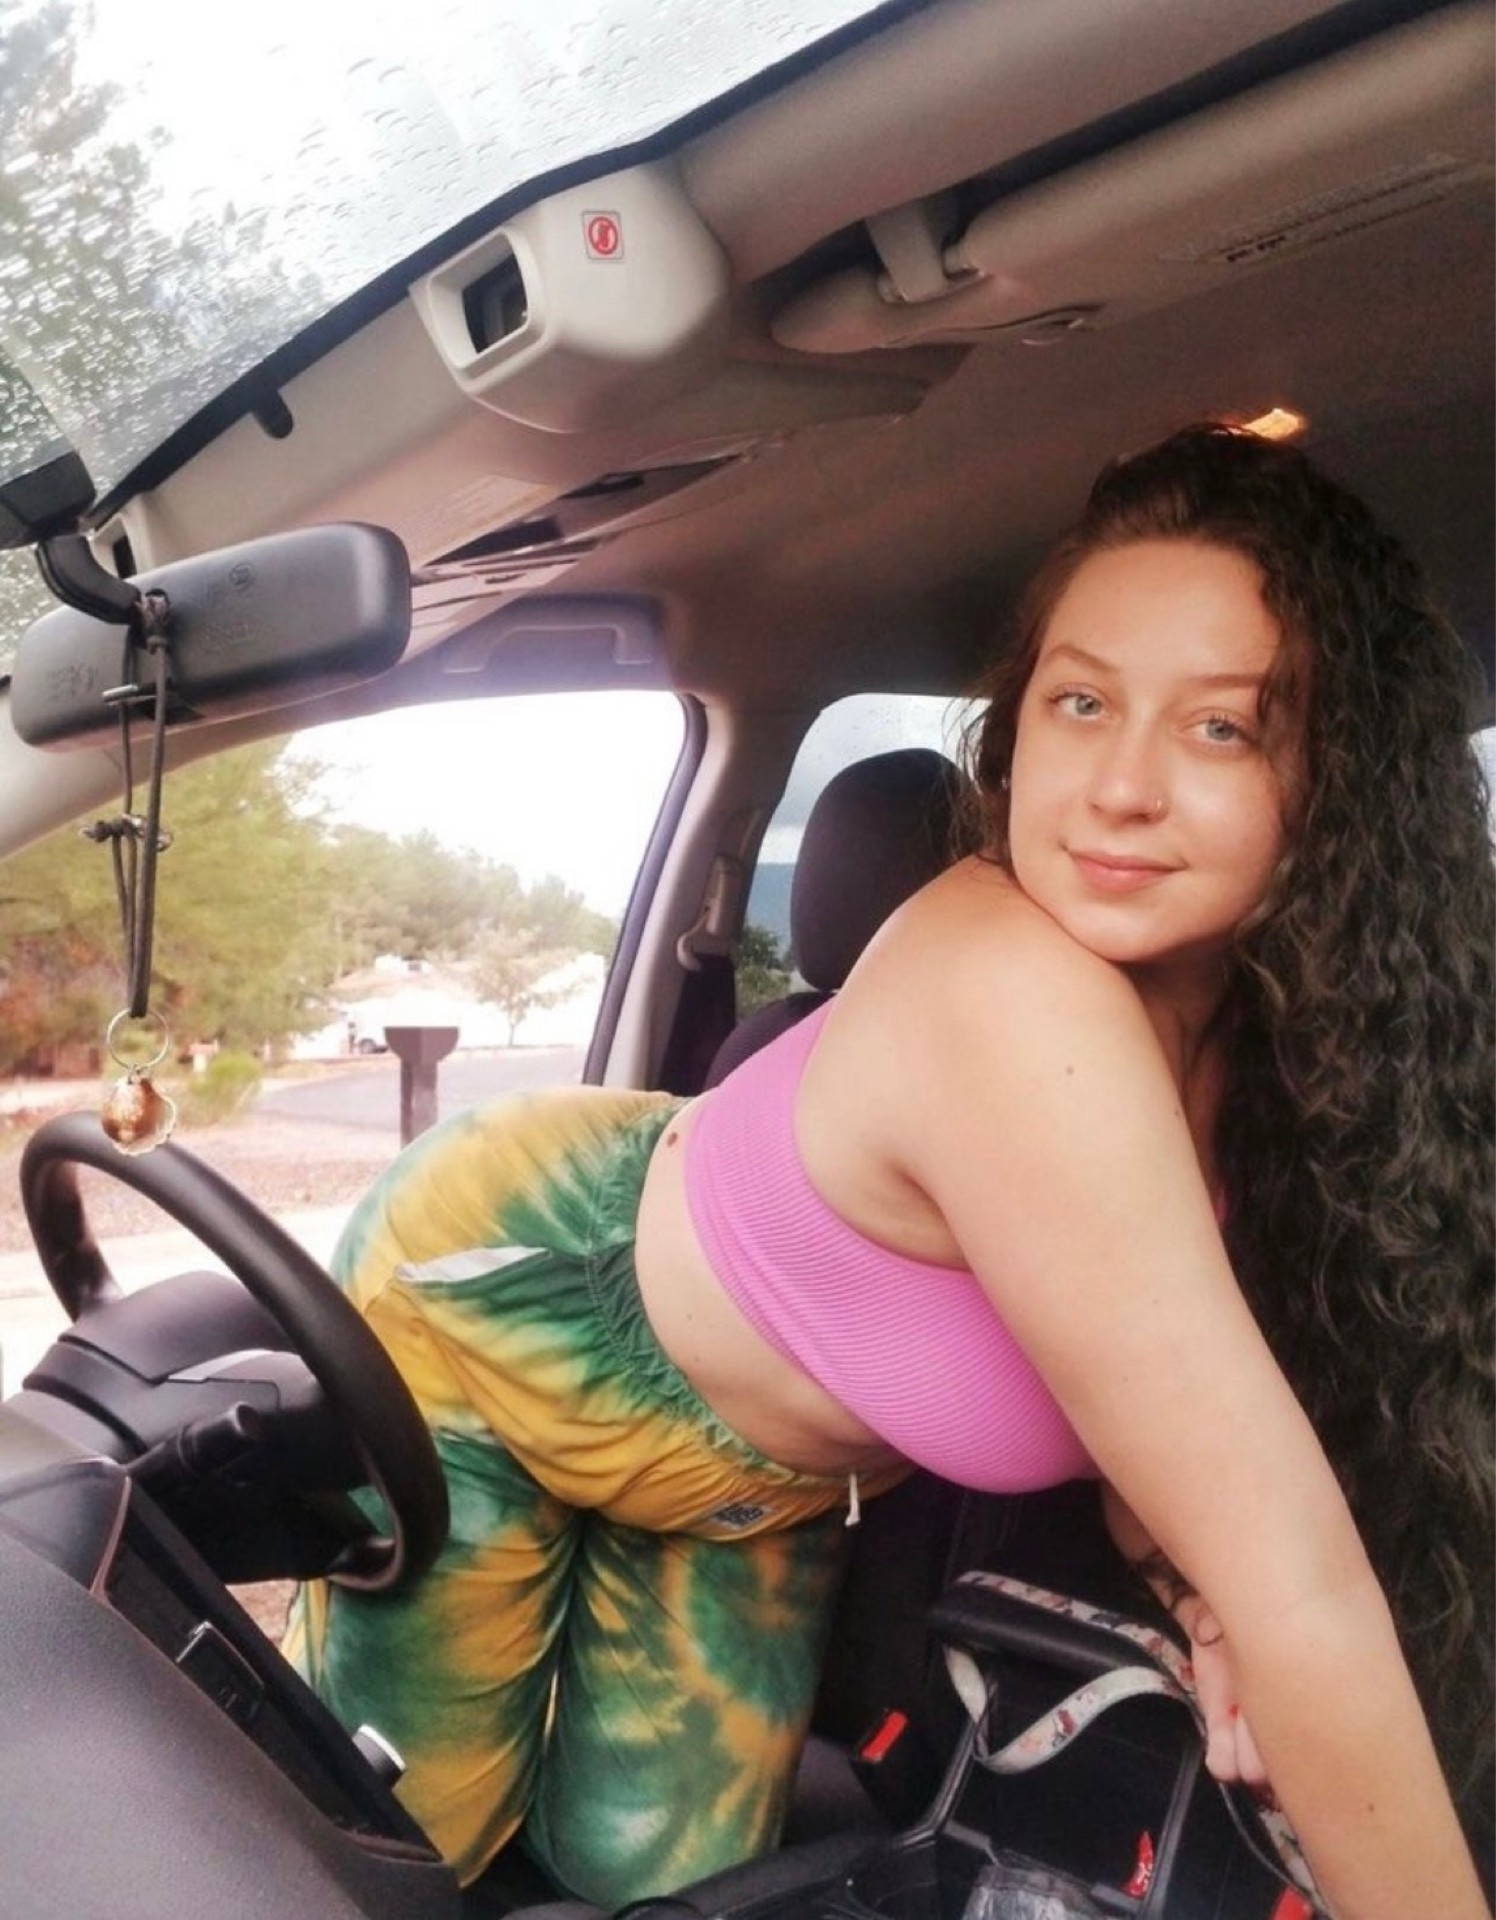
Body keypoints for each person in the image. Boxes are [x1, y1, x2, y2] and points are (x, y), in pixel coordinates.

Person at [287, 423, 1493, 1919]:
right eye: (1081, 701)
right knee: (395, 1853)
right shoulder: (1010, 1001)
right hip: (506, 1309)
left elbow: (1163, 1443)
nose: (1120, 786)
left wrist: (1204, 1606)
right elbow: (1300, 1579)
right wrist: (1256, 1614)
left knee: (660, 1886)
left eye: (1222, 728)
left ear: (1336, 786)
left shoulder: (1257, 1043)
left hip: (764, 1481)